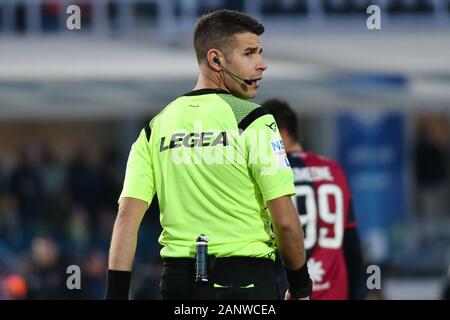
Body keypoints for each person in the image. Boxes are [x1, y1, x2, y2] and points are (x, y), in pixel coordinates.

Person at [106, 10, 311, 300]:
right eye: (249, 53)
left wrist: (115, 296)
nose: (262, 65)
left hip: (177, 285)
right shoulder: (254, 121)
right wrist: (301, 287)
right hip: (245, 285)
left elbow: (127, 217)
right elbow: (286, 222)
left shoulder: (155, 128)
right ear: (216, 60)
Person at [262, 99, 365, 300]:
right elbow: (353, 247)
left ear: (280, 134)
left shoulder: (271, 173)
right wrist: (360, 292)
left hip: (290, 293)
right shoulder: (334, 171)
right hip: (335, 293)